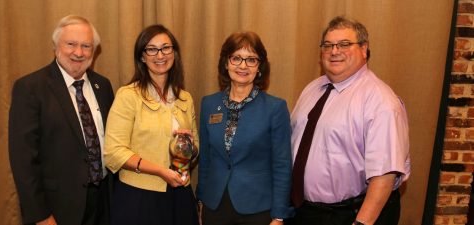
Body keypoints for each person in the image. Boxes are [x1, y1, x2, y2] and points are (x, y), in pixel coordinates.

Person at [288, 16, 411, 225]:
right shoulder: (312, 89)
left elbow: (385, 174)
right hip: (304, 213)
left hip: (348, 215)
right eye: (328, 45)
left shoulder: (380, 101)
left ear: (364, 49)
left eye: (344, 44)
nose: (334, 51)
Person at [9, 15, 114, 225]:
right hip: (57, 209)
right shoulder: (30, 88)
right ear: (56, 46)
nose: (79, 52)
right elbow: (23, 160)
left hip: (103, 202)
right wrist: (40, 215)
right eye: (71, 44)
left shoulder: (103, 86)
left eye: (86, 46)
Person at [104, 24, 199, 225]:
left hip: (180, 194)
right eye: (151, 49)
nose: (160, 55)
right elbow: (113, 152)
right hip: (139, 197)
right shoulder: (128, 96)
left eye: (166, 48)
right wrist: (159, 171)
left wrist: (189, 146)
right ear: (142, 56)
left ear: (174, 53)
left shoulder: (185, 98)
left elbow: (196, 150)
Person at [196, 31, 294, 225]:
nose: (243, 65)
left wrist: (279, 215)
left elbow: (282, 165)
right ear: (226, 63)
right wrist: (201, 201)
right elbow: (206, 159)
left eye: (251, 60)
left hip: (257, 209)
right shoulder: (208, 104)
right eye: (236, 58)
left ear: (259, 67)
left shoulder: (275, 108)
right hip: (214, 206)